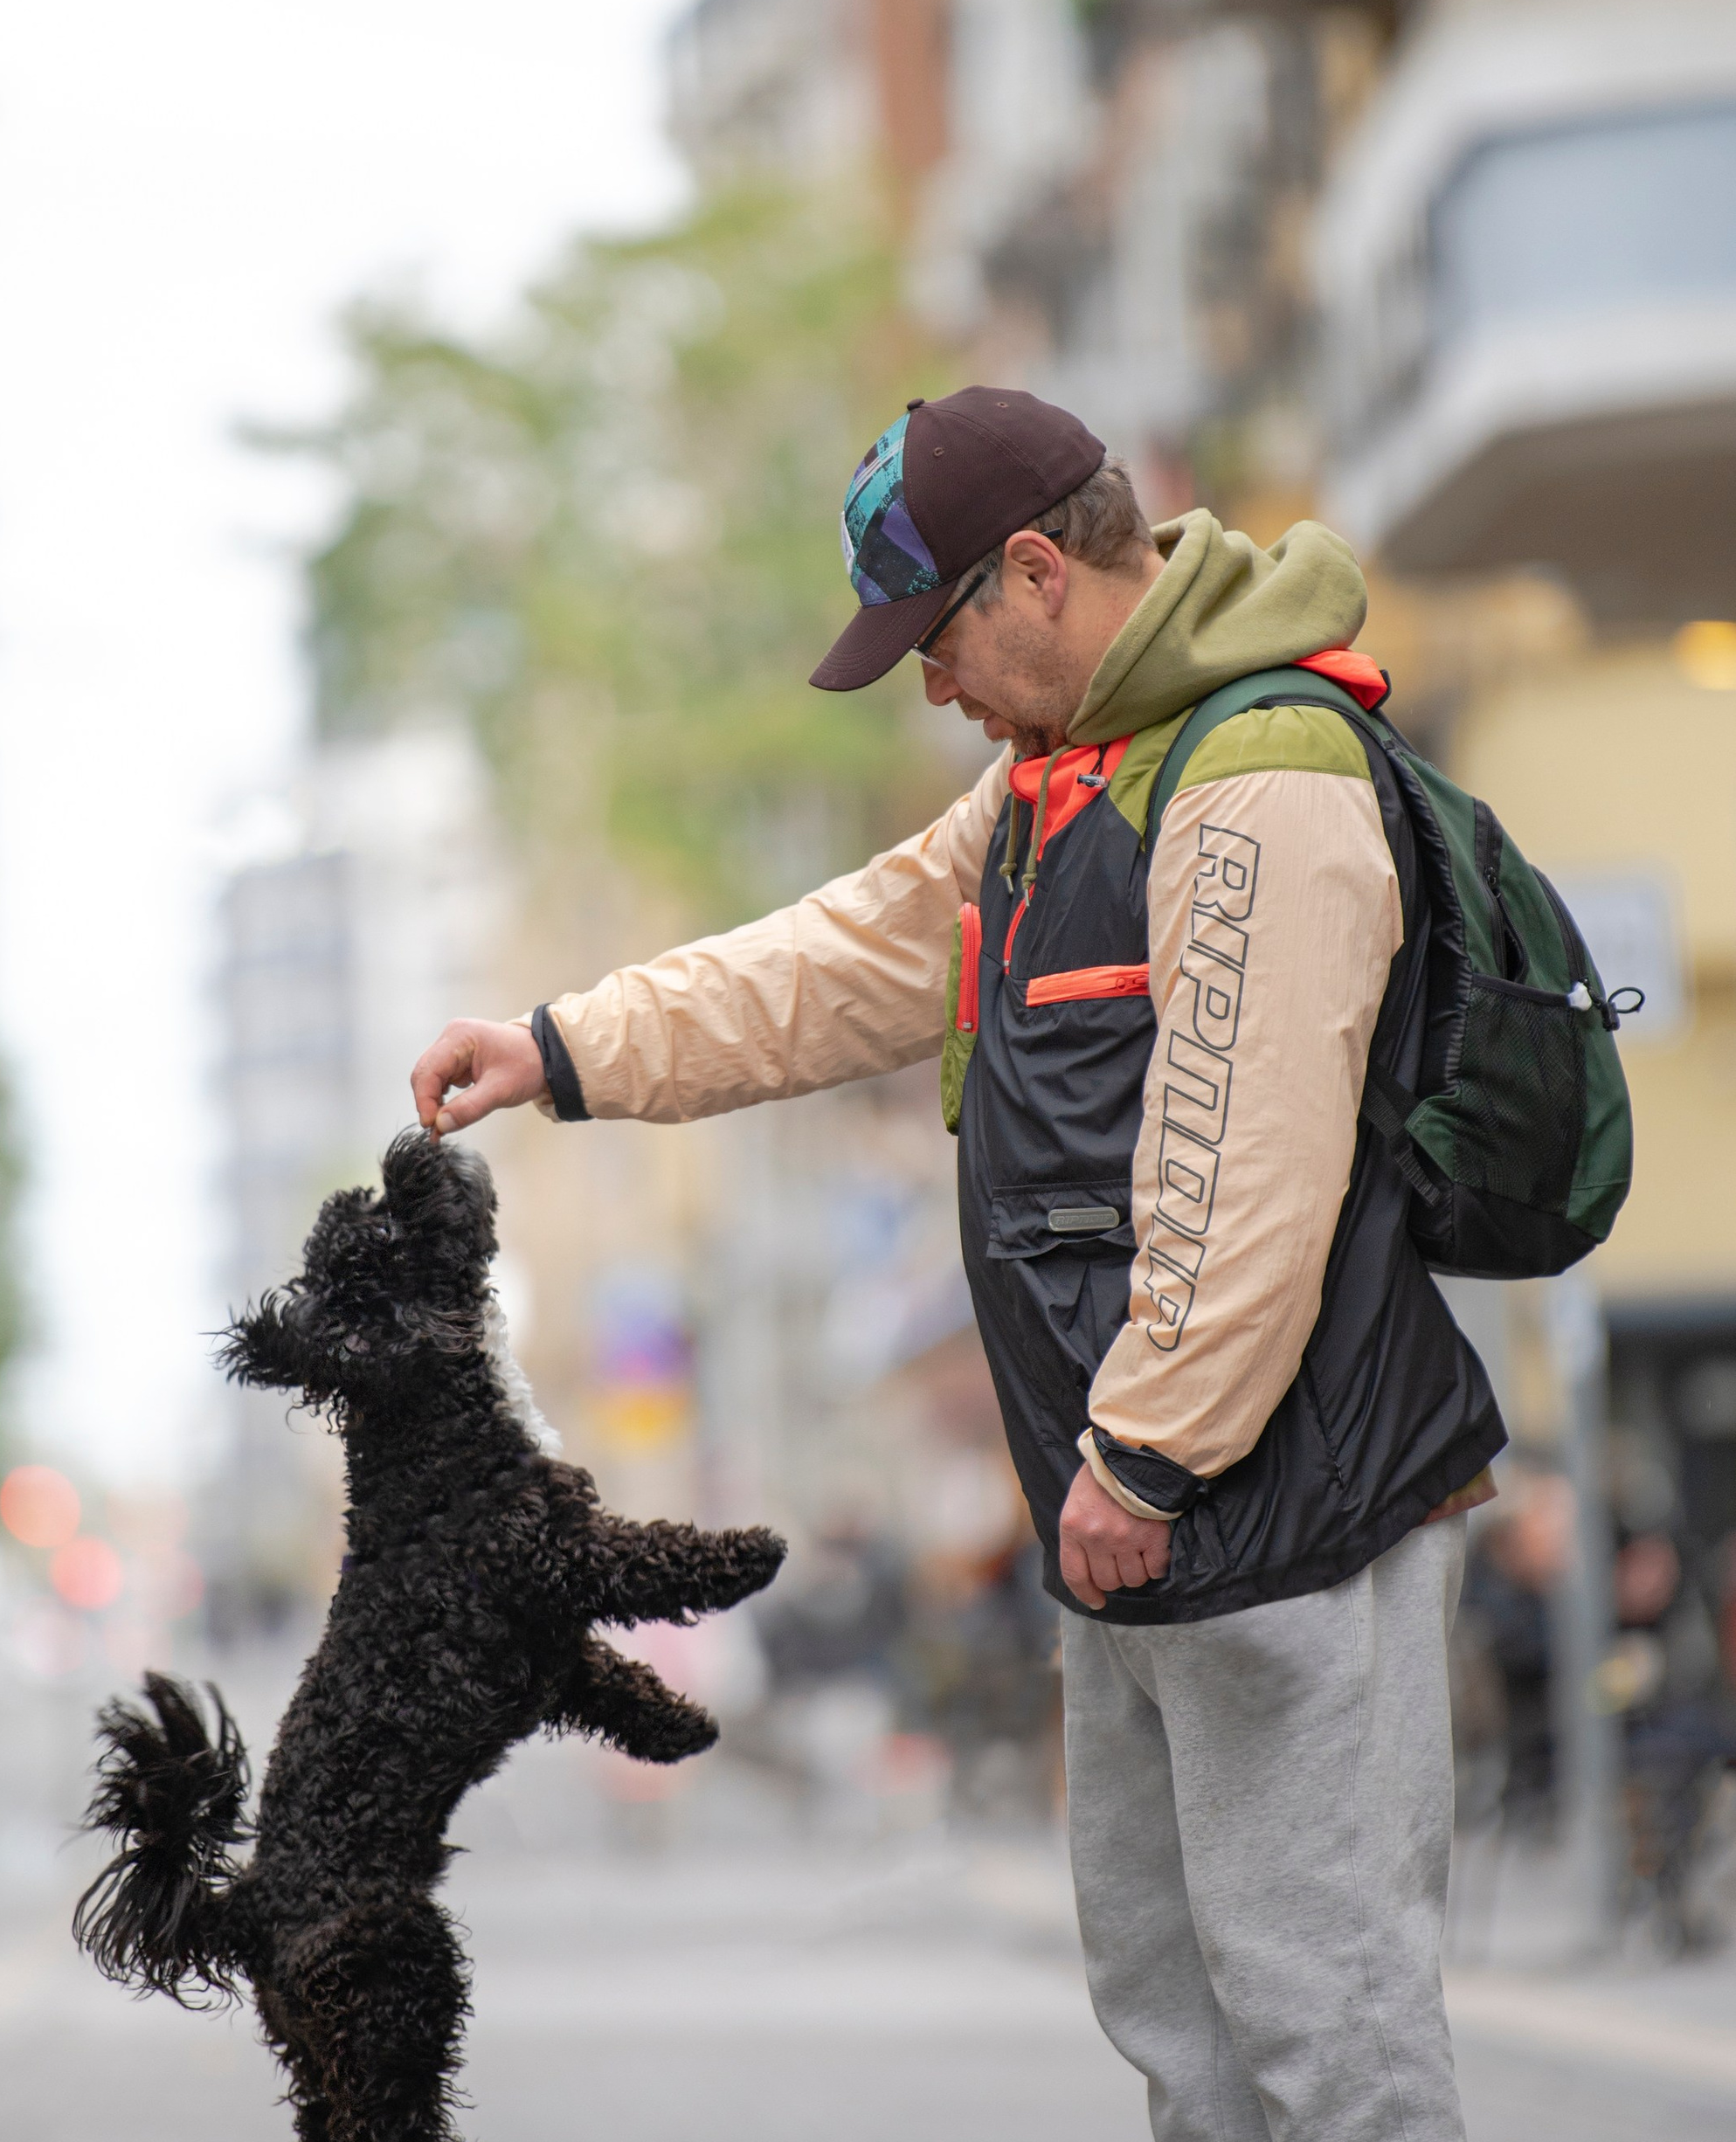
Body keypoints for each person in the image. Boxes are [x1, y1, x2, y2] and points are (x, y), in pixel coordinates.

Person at [411, 387, 1504, 2141]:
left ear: (1033, 573)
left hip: (1272, 1492)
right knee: (1180, 2016)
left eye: (936, 638)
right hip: (1138, 1501)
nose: (928, 684)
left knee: (1326, 2021)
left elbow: (1251, 1150)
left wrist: (1148, 1442)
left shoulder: (1252, 773)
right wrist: (568, 1045)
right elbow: (838, 958)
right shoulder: (1055, 792)